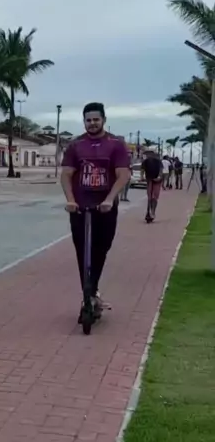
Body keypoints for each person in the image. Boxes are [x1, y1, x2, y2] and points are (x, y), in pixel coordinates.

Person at [61, 103, 131, 318]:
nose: (92, 123)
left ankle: (92, 292)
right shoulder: (76, 145)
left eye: (96, 119)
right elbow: (66, 175)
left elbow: (123, 175)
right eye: (88, 120)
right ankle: (88, 296)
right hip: (80, 207)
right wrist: (71, 200)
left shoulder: (115, 144)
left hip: (105, 207)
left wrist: (110, 199)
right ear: (84, 121)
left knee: (101, 248)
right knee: (83, 250)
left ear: (103, 120)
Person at [141, 149, 163, 221]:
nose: (148, 155)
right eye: (147, 154)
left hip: (157, 180)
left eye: (150, 154)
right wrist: (142, 177)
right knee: (149, 197)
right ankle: (148, 211)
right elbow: (142, 170)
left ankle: (153, 211)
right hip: (149, 180)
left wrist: (159, 176)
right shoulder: (145, 162)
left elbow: (161, 170)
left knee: (154, 197)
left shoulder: (158, 161)